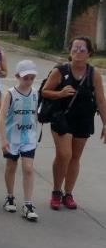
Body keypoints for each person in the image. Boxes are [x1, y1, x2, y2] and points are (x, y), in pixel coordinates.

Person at [41, 36, 106, 210]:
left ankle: (68, 193)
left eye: (82, 49)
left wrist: (105, 124)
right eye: (75, 49)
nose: (78, 52)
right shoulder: (60, 71)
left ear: (89, 53)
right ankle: (56, 191)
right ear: (70, 52)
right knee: (64, 154)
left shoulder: (94, 74)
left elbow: (101, 100)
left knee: (75, 157)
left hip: (83, 119)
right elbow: (45, 91)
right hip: (61, 118)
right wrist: (60, 93)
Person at [0, 60, 39, 221]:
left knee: (28, 168)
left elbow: (35, 113)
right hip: (11, 138)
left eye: (31, 77)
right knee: (11, 166)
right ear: (17, 77)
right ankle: (10, 196)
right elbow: (1, 116)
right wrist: (2, 139)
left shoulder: (35, 93)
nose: (28, 81)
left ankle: (28, 204)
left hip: (29, 137)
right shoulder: (10, 93)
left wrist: (36, 133)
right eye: (25, 78)